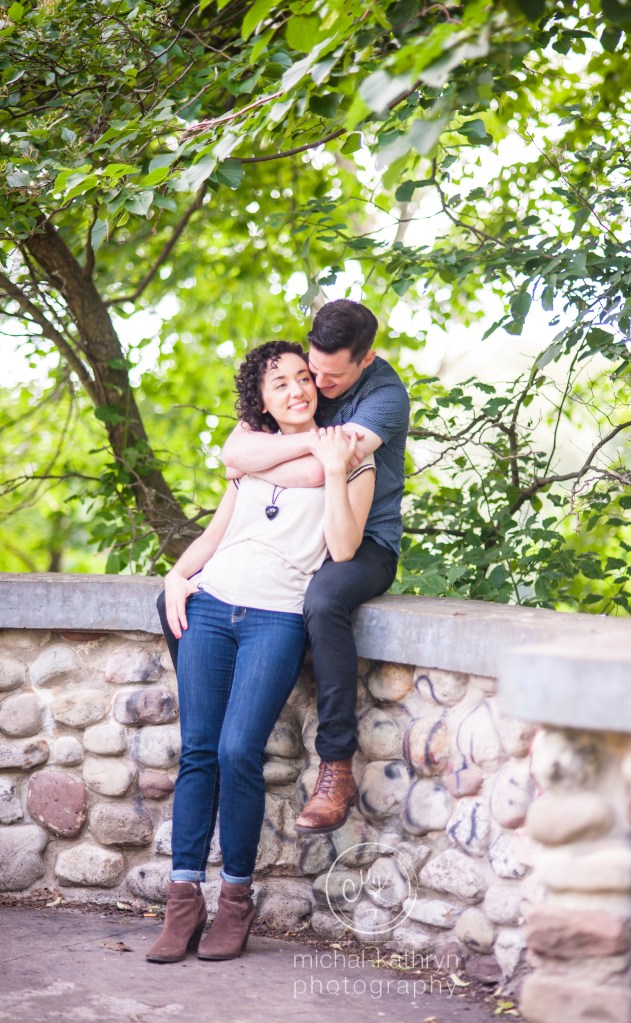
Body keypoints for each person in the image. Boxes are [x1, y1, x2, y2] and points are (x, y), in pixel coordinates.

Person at [148, 340, 375, 965]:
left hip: (276, 619)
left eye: (304, 378)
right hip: (212, 607)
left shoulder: (350, 452)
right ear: (264, 399)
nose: (298, 389)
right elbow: (219, 533)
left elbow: (344, 548)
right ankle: (182, 897)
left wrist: (331, 469)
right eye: (281, 384)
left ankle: (236, 901)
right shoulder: (251, 453)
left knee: (236, 750)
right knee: (197, 751)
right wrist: (175, 575)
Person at [220, 299, 410, 835]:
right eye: (311, 368)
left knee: (323, 599)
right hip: (296, 534)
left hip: (364, 537)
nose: (314, 385)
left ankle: (336, 766)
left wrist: (262, 458)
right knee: (197, 595)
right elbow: (233, 450)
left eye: (330, 376)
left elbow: (327, 473)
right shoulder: (297, 376)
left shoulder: (385, 399)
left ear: (366, 358)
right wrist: (298, 446)